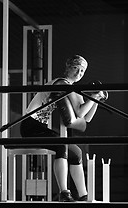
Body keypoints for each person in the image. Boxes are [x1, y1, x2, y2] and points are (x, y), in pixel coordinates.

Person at [20, 55, 107, 202]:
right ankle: (64, 193)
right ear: (68, 68)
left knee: (76, 152)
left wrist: (96, 99)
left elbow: (86, 118)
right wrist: (94, 96)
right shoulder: (62, 83)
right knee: (62, 146)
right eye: (76, 68)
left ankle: (84, 195)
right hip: (31, 126)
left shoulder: (71, 87)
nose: (79, 73)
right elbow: (80, 112)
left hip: (40, 126)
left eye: (82, 71)